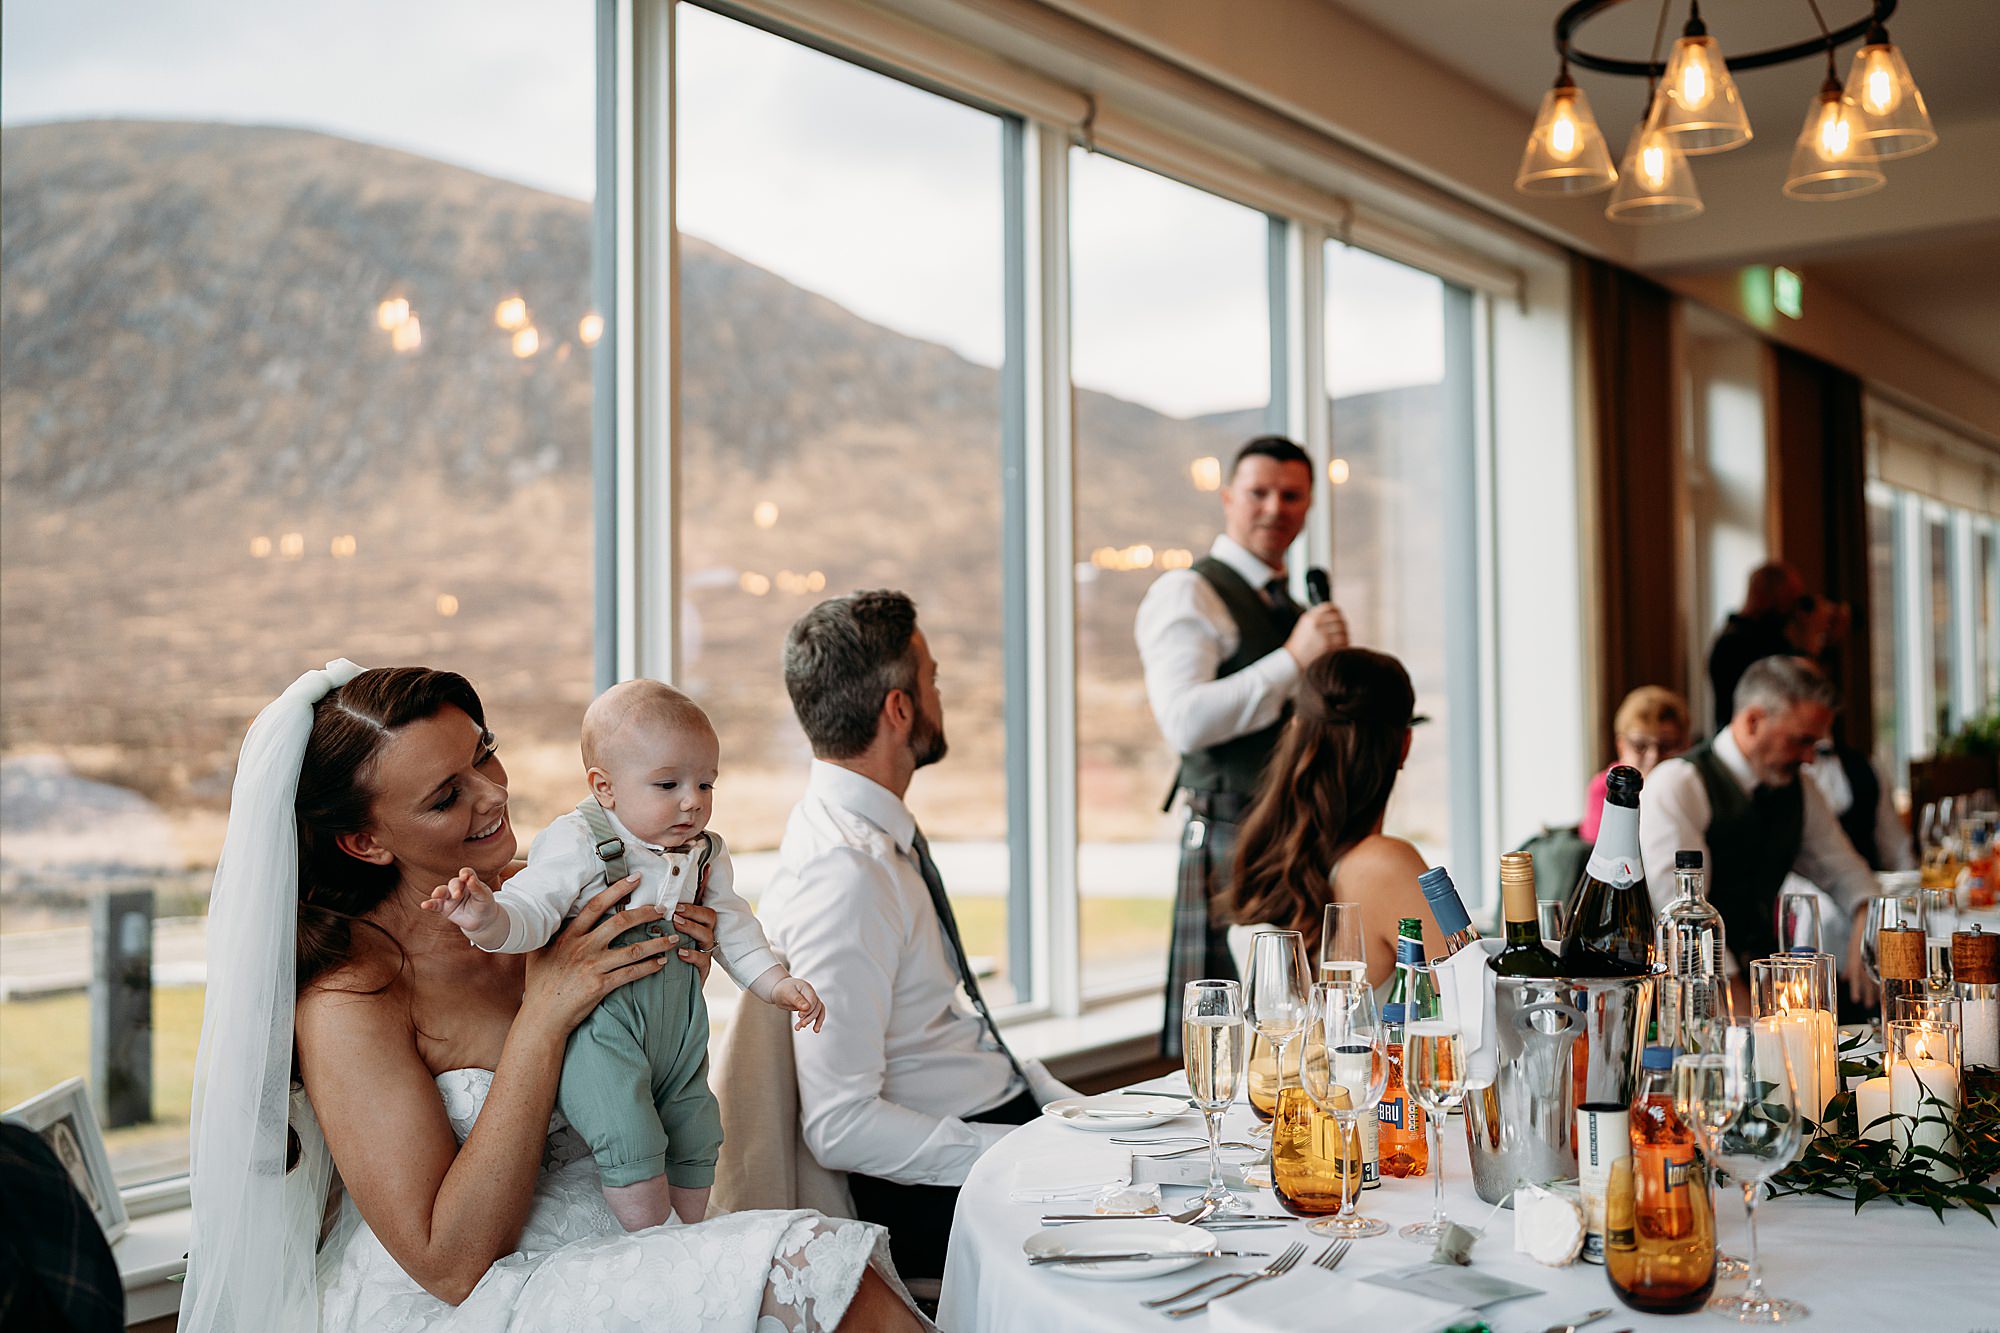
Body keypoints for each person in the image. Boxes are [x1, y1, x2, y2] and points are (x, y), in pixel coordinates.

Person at [182, 662, 926, 1333]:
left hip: (634, 1230)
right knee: (818, 1259)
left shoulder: (548, 895)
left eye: (484, 751)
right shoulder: (353, 997)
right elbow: (449, 1263)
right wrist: (545, 1014)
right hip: (479, 1295)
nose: (493, 791)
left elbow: (641, 1051)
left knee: (841, 1276)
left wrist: (675, 974)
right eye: (447, 795)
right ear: (365, 842)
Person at [422, 679, 825, 1232]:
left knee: (697, 1125)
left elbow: (734, 925)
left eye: (706, 783)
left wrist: (776, 982)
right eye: (668, 784)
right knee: (626, 1127)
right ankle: (653, 1241)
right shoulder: (579, 840)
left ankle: (688, 1234)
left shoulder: (705, 853)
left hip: (678, 1026)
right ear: (604, 787)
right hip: (604, 1025)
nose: (693, 801)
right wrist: (486, 916)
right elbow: (532, 908)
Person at [760, 591, 1075, 1282]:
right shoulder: (846, 874)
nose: (940, 692)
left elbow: (949, 1033)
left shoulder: (869, 837)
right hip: (951, 1196)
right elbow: (839, 1123)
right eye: (931, 677)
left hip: (1002, 1130)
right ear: (899, 708)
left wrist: (1071, 1115)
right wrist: (1019, 1153)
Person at [1135, 436, 1349, 1053]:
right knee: (1228, 1040)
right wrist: (1292, 660)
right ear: (1229, 497)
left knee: (1292, 1038)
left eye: (1291, 495)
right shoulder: (1189, 592)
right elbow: (1184, 721)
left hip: (1297, 833)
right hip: (1231, 834)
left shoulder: (1293, 600)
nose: (1274, 508)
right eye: (1259, 492)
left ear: (1307, 507)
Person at [1639, 656, 1876, 976]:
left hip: (1769, 979)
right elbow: (1685, 924)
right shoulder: (1678, 785)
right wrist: (1738, 1006)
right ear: (1753, 721)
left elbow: (1845, 870)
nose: (1808, 758)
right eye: (1801, 740)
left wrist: (1866, 922)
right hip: (1687, 992)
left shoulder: (1801, 789)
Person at [1217, 648, 1441, 987]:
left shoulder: (1269, 857)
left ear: (1295, 729)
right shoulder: (1384, 865)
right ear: (1404, 745)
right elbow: (1478, 1005)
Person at [1580, 686, 1691, 843]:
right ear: (1621, 746)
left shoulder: (1691, 784)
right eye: (1640, 746)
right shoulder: (1604, 789)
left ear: (1685, 746)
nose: (1653, 757)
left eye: (1666, 746)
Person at [1706, 561, 1805, 731]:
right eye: (1790, 598)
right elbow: (1795, 689)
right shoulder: (1734, 643)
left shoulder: (1767, 637)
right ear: (1766, 596)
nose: (1793, 609)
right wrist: (1807, 641)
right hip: (1747, 737)